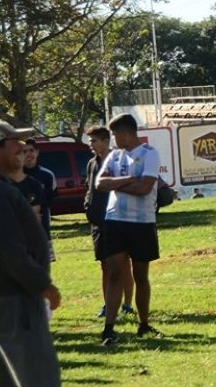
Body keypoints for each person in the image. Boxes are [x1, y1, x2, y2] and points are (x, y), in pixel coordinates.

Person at [0, 121, 61, 385]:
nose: (22, 147)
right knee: (40, 377)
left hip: (3, 296)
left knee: (2, 380)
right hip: (14, 297)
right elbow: (8, 252)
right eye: (14, 142)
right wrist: (42, 284)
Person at [97, 113, 163, 345]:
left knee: (140, 275)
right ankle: (109, 327)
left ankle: (143, 323)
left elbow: (145, 187)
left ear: (125, 133)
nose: (113, 140)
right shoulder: (114, 156)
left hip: (142, 222)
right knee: (115, 273)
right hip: (115, 220)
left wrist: (116, 183)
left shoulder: (149, 154)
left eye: (115, 135)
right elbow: (100, 184)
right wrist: (127, 180)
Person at [84, 125, 136, 320]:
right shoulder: (91, 163)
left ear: (106, 141)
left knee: (123, 264)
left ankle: (128, 304)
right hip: (98, 223)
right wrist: (87, 205)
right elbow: (89, 188)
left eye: (94, 141)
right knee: (105, 265)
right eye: (90, 142)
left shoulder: (120, 160)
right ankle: (108, 303)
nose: (91, 145)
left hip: (118, 219)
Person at [23, 139, 57, 260]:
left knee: (44, 270)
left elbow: (49, 200)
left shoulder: (47, 175)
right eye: (24, 151)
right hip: (21, 232)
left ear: (37, 152)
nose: (28, 154)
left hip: (42, 229)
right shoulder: (13, 176)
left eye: (31, 150)